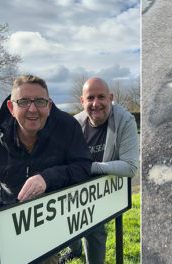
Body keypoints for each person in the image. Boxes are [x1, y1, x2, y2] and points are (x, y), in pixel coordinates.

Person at [0, 75, 92, 263]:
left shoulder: (67, 128)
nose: (33, 109)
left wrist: (47, 178)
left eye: (40, 101)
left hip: (51, 220)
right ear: (11, 108)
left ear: (49, 106)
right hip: (6, 223)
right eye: (24, 102)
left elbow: (83, 167)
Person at [60, 77, 139, 264]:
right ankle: (75, 250)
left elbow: (130, 166)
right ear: (82, 101)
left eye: (101, 97)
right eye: (90, 98)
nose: (96, 104)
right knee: (67, 221)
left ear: (111, 98)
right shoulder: (74, 124)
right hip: (78, 183)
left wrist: (90, 168)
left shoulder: (125, 120)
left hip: (103, 186)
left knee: (94, 227)